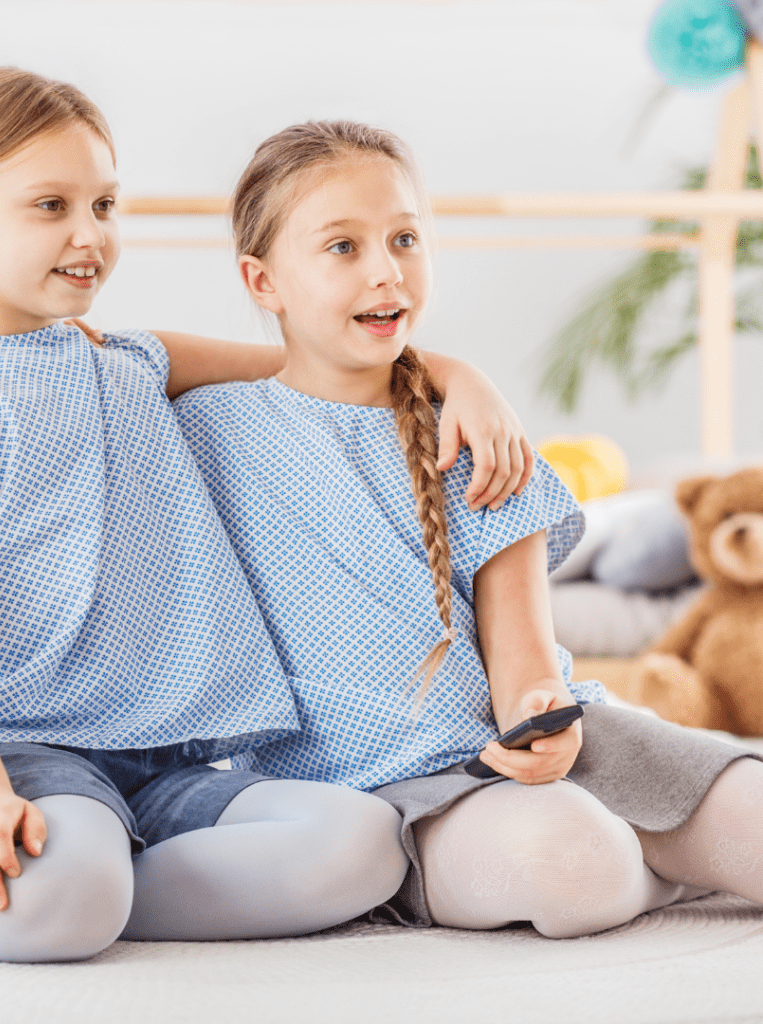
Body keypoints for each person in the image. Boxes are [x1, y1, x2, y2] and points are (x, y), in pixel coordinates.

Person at [0, 72, 533, 962]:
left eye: (105, 204)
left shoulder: (133, 360)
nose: (90, 236)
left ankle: (53, 889)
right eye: (50, 206)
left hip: (163, 768)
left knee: (360, 845)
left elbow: (322, 359)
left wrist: (460, 376)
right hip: (14, 756)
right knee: (72, 890)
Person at [173, 119, 763, 939]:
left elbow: (523, 650)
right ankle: (657, 863)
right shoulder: (208, 433)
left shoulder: (472, 438)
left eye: (405, 237)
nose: (386, 272)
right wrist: (455, 366)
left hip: (562, 750)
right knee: (579, 868)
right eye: (341, 248)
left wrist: (540, 717)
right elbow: (106, 352)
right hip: (383, 794)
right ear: (262, 280)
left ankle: (656, 845)